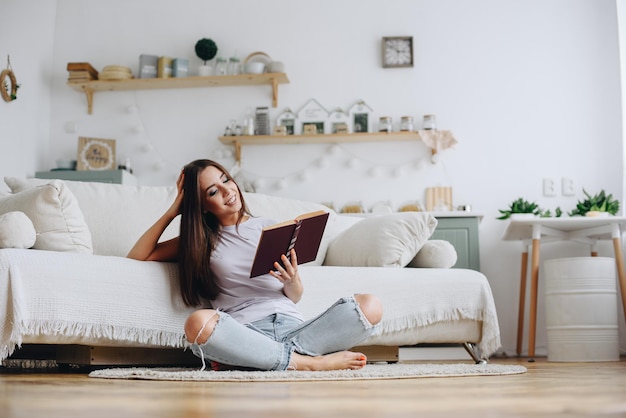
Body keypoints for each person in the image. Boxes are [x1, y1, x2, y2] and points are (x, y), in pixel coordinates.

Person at [127, 159, 383, 371]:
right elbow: (139, 256)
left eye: (226, 180)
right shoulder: (198, 242)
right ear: (202, 205)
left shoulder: (271, 228)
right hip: (245, 332)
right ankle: (308, 363)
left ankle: (264, 360)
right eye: (213, 191)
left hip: (295, 327)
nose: (227, 191)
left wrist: (292, 281)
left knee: (370, 306)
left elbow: (294, 297)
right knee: (197, 323)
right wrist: (174, 210)